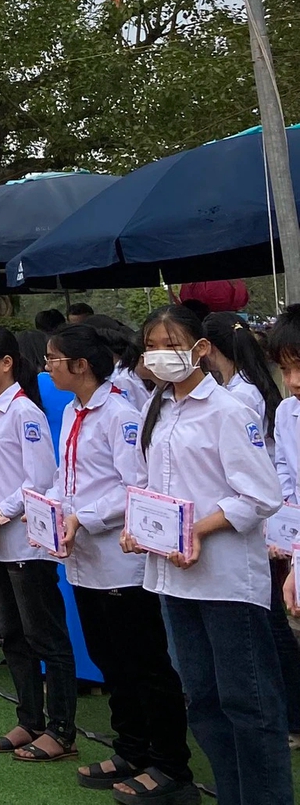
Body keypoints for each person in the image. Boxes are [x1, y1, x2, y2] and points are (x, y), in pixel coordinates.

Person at [136, 305, 289, 805]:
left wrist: (196, 529)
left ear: (201, 349)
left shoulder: (228, 410)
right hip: (172, 579)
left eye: (170, 343)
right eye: (151, 345)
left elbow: (262, 494)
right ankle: (231, 794)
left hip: (226, 580)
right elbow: (149, 483)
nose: (160, 355)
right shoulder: (156, 408)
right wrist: (142, 528)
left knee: (248, 703)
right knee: (202, 700)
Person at [47, 322, 194, 799]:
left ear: (80, 365)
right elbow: (65, 477)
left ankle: (171, 763)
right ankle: (131, 748)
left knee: (144, 663)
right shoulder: (73, 412)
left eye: (53, 360)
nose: (47, 368)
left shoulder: (119, 414)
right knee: (110, 658)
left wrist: (83, 518)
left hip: (119, 559)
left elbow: (133, 486)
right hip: (83, 557)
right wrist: (50, 514)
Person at [0, 325, 77, 762]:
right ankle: (29, 718)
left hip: (23, 540)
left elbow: (41, 481)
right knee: (11, 633)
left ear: (7, 362)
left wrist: (0, 512)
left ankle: (62, 728)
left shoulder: (23, 412)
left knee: (44, 635)